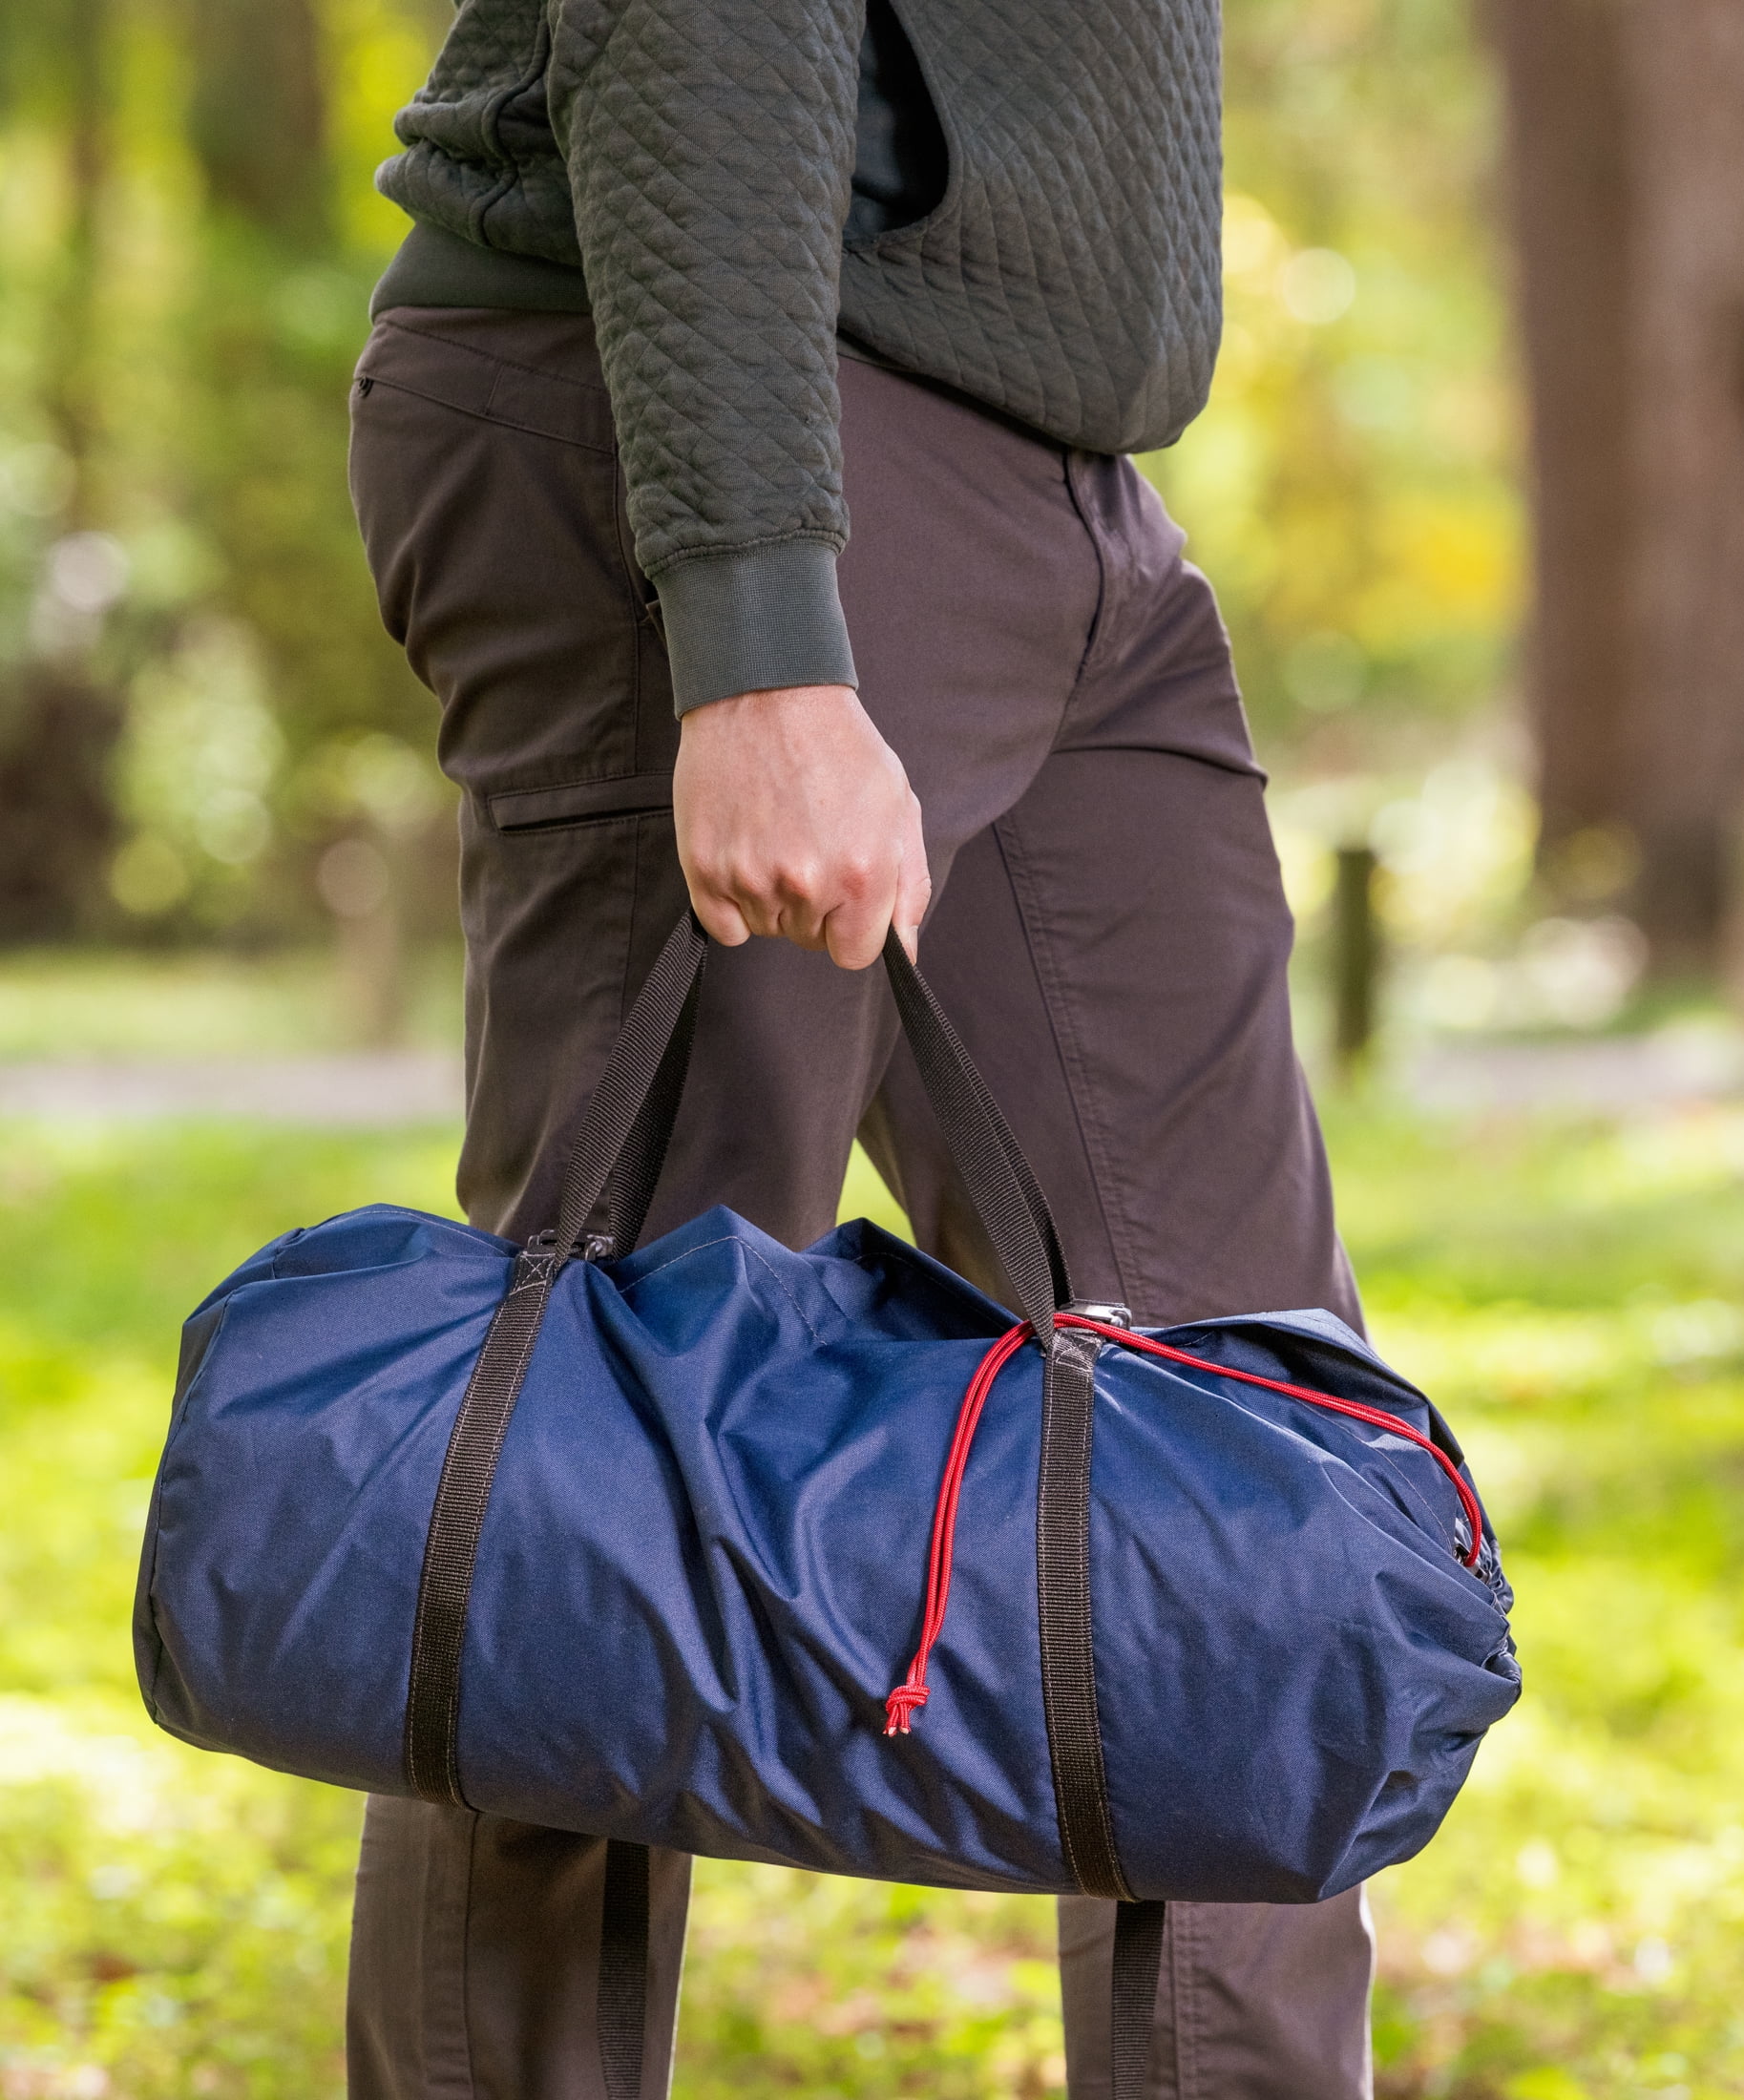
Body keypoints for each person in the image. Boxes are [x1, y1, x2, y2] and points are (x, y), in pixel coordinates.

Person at [343, 1, 1376, 2092]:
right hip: (728, 418)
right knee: (600, 1462)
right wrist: (753, 643)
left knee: (1241, 1464)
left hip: (1055, 481)